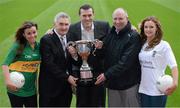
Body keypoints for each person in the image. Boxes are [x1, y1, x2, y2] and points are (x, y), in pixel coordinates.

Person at [95, 8, 141, 107]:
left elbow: (125, 63)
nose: (117, 21)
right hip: (113, 85)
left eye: (120, 19)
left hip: (128, 85)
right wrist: (99, 49)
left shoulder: (134, 36)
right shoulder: (111, 34)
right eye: (115, 19)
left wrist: (106, 75)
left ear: (127, 18)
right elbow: (103, 55)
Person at [68, 4, 110, 107]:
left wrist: (102, 46)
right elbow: (64, 37)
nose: (87, 18)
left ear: (93, 15)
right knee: (82, 104)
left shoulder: (104, 26)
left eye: (90, 15)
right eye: (84, 16)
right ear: (79, 16)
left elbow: (111, 43)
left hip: (98, 74)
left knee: (98, 104)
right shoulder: (72, 28)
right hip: (80, 74)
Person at [138, 16, 178, 107]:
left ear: (157, 29)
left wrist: (175, 83)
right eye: (146, 27)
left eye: (151, 27)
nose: (148, 29)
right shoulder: (142, 44)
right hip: (143, 89)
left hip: (158, 90)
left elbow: (173, 65)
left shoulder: (164, 45)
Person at [39, 12, 77, 107]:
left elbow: (73, 61)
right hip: (50, 88)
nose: (64, 27)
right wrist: (67, 77)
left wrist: (74, 55)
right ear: (54, 24)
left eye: (66, 24)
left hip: (65, 89)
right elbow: (49, 64)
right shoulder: (46, 39)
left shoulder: (71, 37)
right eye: (61, 24)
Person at [1, 21, 40, 107]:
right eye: (29, 33)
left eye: (34, 32)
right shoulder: (18, 46)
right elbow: (5, 64)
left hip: (31, 91)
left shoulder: (39, 47)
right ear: (24, 34)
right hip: (15, 91)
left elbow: (36, 70)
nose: (32, 35)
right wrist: (8, 82)